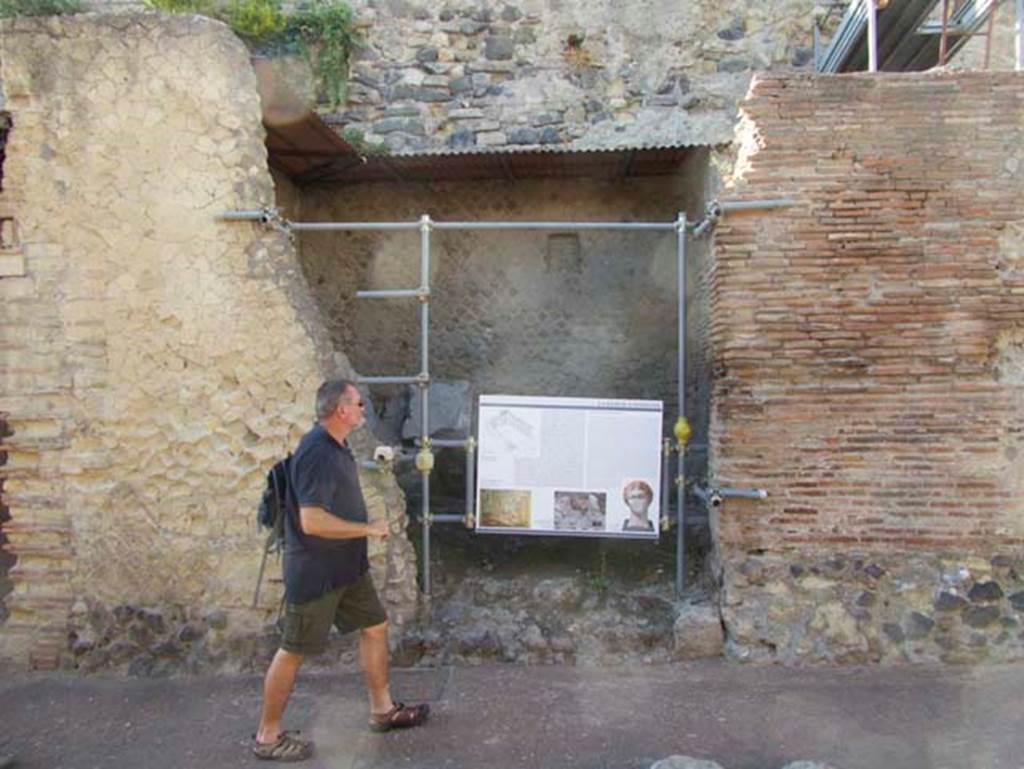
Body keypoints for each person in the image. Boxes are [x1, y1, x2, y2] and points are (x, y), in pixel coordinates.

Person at [253, 378, 428, 762]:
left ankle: (381, 710)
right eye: (359, 403)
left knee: (375, 626)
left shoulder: (335, 444)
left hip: (347, 568)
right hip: (317, 573)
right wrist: (366, 529)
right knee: (293, 650)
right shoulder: (317, 452)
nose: (364, 409)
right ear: (341, 410)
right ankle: (267, 736)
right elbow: (312, 520)